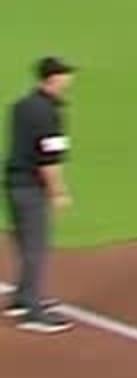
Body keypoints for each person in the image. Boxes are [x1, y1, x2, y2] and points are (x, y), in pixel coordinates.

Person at [7, 56, 77, 334]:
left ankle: (22, 299)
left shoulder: (22, 105)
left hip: (14, 182)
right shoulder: (49, 113)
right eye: (66, 75)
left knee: (27, 246)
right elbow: (49, 159)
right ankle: (33, 314)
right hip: (32, 187)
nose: (69, 80)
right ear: (54, 78)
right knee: (36, 249)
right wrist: (58, 192)